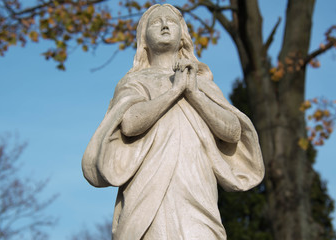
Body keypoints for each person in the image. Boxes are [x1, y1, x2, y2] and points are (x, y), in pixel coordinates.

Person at [82, 4, 264, 240]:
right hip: (149, 187)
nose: (165, 25)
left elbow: (232, 131)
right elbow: (129, 123)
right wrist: (174, 91)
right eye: (157, 22)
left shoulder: (202, 84)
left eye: (172, 21)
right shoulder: (136, 81)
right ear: (143, 40)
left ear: (183, 37)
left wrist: (194, 93)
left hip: (196, 184)